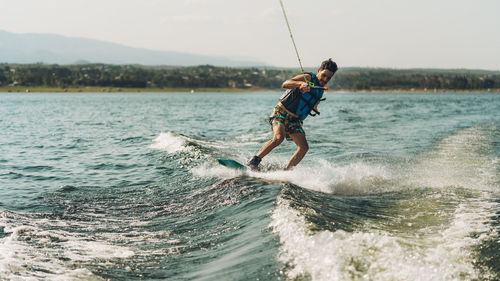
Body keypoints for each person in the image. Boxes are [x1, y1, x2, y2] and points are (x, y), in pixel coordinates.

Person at [247, 58, 338, 171]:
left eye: (329, 78)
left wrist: (315, 107)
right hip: (281, 113)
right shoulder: (308, 77)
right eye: (324, 75)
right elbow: (285, 84)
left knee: (304, 147)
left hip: (294, 121)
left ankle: (287, 171)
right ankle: (253, 162)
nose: (325, 79)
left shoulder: (320, 90)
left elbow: (312, 102)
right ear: (319, 70)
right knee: (279, 138)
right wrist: (301, 84)